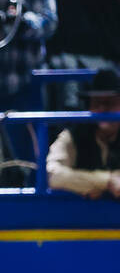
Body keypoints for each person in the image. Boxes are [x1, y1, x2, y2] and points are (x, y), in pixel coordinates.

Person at [47, 68, 120, 200]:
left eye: (110, 102)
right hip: (79, 218)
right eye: (96, 103)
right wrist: (107, 181)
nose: (102, 109)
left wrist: (82, 183)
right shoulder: (73, 135)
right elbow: (52, 174)